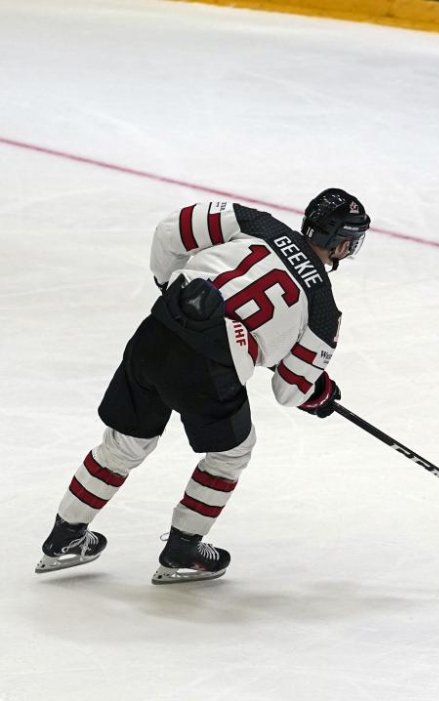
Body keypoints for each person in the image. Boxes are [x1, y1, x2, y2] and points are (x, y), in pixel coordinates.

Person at [36, 189, 370, 584]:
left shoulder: (255, 222)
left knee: (125, 442)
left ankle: (65, 537)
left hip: (158, 330)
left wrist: (168, 285)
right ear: (344, 242)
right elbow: (290, 390)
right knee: (231, 453)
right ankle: (183, 549)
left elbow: (169, 231)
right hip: (208, 370)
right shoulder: (324, 312)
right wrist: (320, 393)